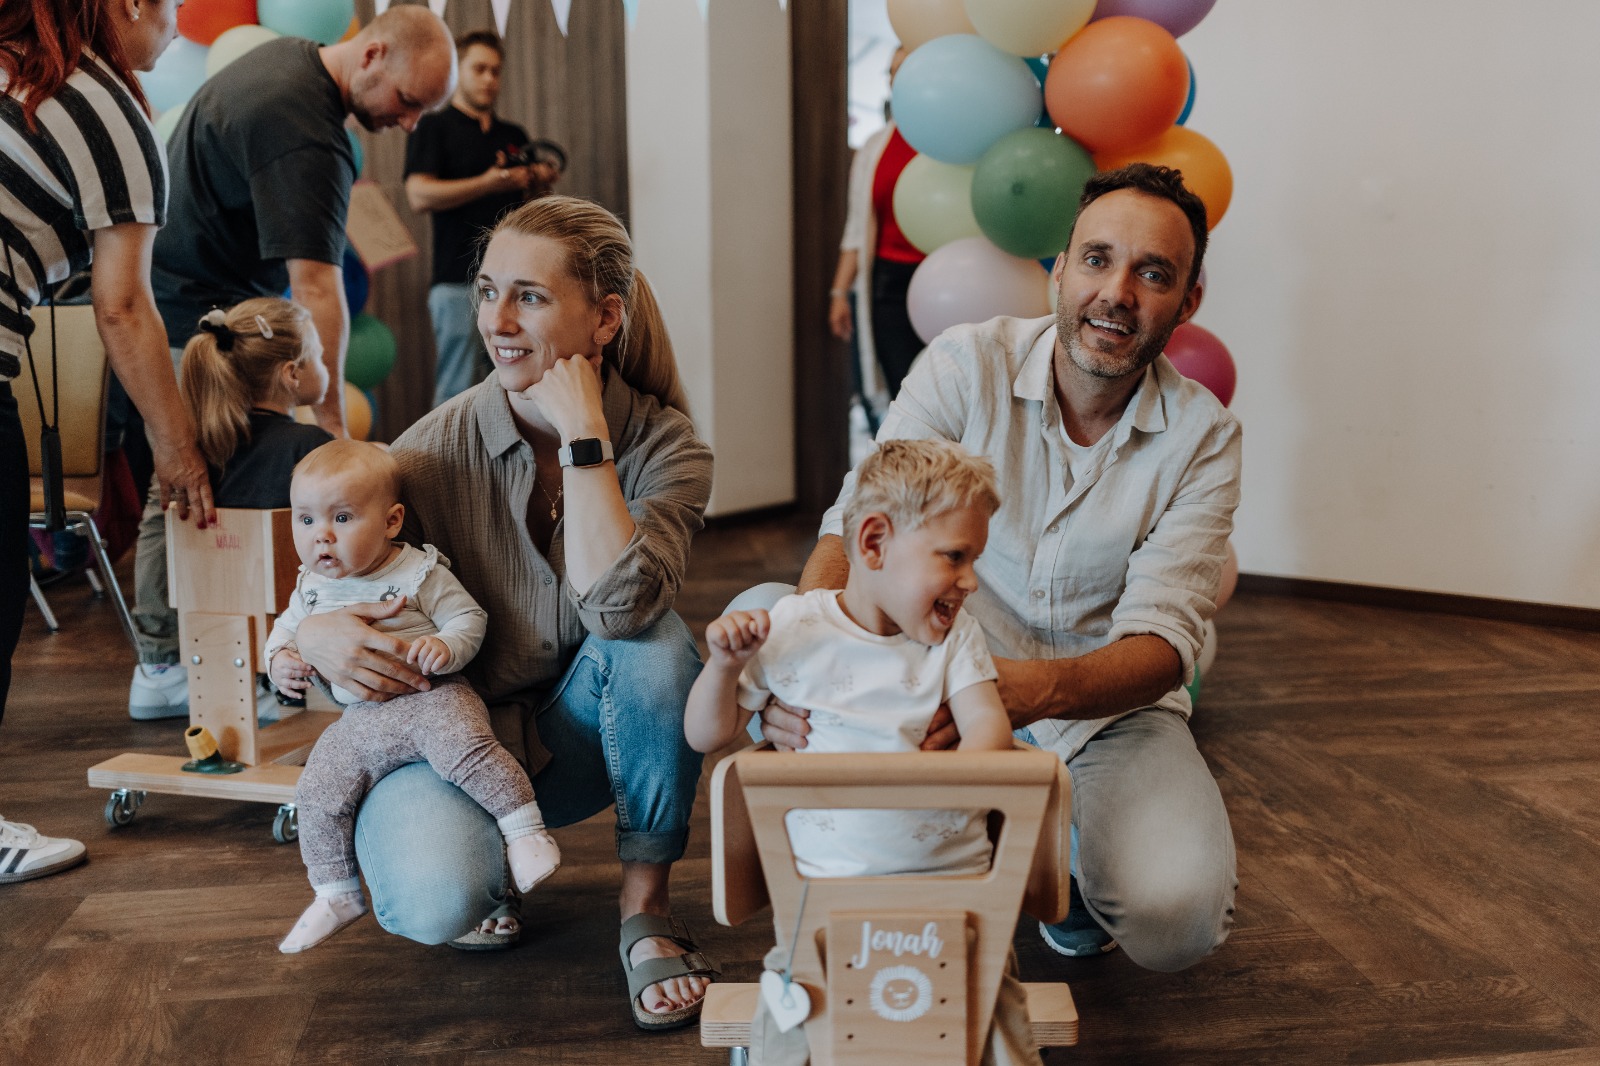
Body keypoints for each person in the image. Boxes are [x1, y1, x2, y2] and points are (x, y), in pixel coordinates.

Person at [765, 164, 1242, 974]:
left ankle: (1064, 846)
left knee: (1177, 920)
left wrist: (1019, 691)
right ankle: (982, 830)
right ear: (1057, 271)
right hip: (928, 678)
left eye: (1152, 273)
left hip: (1105, 715)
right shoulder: (964, 364)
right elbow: (855, 527)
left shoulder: (1205, 438)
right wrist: (820, 668)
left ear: (1187, 302)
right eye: (1096, 259)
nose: (1116, 292)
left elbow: (1166, 643)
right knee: (767, 612)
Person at [288, 195, 718, 1029]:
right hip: (452, 745)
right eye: (488, 292)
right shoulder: (421, 457)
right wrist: (314, 631)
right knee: (433, 901)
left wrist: (586, 438)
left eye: (529, 295)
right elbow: (321, 578)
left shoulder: (669, 447)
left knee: (658, 646)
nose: (498, 320)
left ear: (605, 318)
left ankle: (646, 912)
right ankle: (484, 874)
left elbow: (621, 611)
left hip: (586, 742)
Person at [129, 5, 457, 718]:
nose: (406, 125)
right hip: (190, 318)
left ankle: (200, 659)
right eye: (407, 103)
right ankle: (171, 663)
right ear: (371, 55)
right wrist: (333, 424)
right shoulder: (308, 133)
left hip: (186, 303)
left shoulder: (282, 62)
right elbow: (316, 286)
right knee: (184, 486)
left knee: (190, 487)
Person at [687, 439, 1041, 1066]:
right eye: (955, 557)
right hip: (824, 895)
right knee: (794, 1017)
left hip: (955, 890)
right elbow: (706, 736)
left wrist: (971, 766)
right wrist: (722, 668)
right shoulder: (793, 629)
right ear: (874, 544)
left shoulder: (955, 638)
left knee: (995, 1011)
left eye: (974, 559)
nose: (971, 580)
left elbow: (987, 732)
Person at [1, 0, 214, 883]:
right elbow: (123, 306)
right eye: (169, 5)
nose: (175, 24)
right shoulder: (106, 108)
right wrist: (180, 452)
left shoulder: (16, 69)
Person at [267, 440, 560, 954]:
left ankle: (525, 833)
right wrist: (280, 663)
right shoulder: (310, 588)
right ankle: (335, 892)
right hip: (361, 720)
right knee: (317, 790)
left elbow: (469, 619)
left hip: (432, 698)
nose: (322, 538)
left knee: (466, 751)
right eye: (306, 520)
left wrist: (444, 646)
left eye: (342, 517)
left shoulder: (417, 572)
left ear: (392, 521)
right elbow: (283, 633)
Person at [129, 298, 335, 698]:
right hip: (294, 631)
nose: (325, 367)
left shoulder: (197, 455)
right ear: (292, 373)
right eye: (321, 357)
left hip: (212, 637)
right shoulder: (311, 447)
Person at [404, 29, 563, 408]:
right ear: (458, 71)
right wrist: (489, 182)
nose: (489, 79)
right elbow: (418, 194)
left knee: (517, 387)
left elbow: (530, 208)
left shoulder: (513, 135)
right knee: (457, 390)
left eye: (495, 71)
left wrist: (538, 181)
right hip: (457, 280)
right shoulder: (434, 126)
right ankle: (446, 467)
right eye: (479, 69)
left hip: (516, 282)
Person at [829, 46, 924, 417]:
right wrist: (840, 292)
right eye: (891, 72)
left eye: (906, 69)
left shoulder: (955, 141)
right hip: (888, 287)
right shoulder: (875, 147)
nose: (895, 79)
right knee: (902, 397)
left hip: (951, 283)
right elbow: (856, 227)